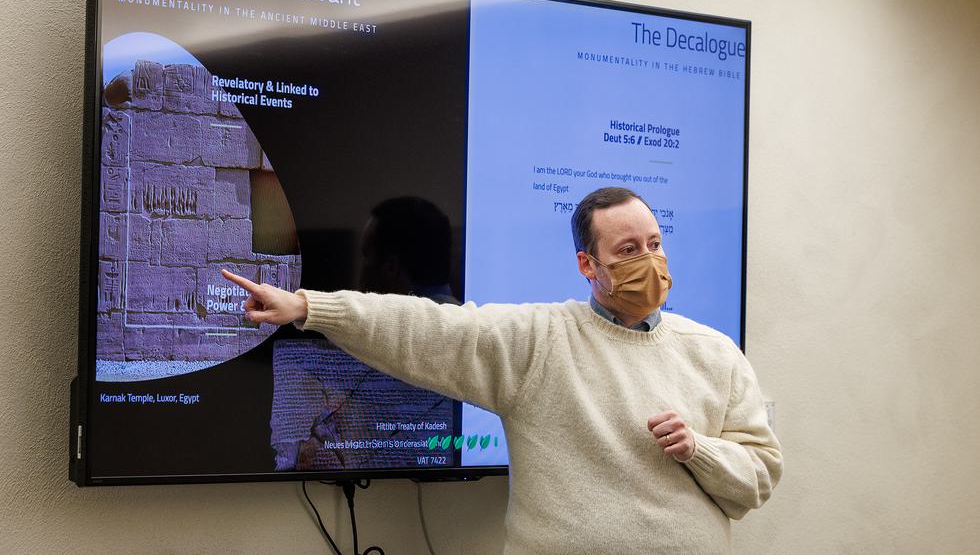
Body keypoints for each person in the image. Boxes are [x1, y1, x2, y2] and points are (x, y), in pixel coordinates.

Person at [221, 187, 782, 553]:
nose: (649, 262)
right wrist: (310, 307)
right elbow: (429, 328)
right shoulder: (540, 339)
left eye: (654, 245)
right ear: (588, 264)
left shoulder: (713, 352)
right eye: (628, 249)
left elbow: (757, 477)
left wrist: (699, 449)